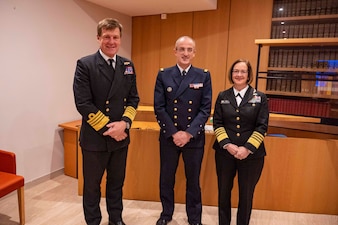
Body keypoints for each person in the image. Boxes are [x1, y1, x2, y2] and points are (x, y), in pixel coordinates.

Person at [73, 18, 139, 225]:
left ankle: (116, 219)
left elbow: (133, 99)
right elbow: (83, 103)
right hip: (95, 138)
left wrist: (125, 124)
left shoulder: (127, 65)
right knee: (92, 186)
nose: (111, 41)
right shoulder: (85, 64)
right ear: (99, 38)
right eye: (107, 37)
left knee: (116, 183)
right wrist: (110, 128)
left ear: (120, 39)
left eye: (115, 37)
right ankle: (93, 221)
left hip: (121, 138)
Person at [153, 36, 212, 225]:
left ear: (194, 53)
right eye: (182, 49)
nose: (185, 53)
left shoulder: (203, 75)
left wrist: (188, 133)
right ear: (175, 51)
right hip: (169, 137)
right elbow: (159, 107)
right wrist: (174, 132)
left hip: (193, 138)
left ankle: (194, 218)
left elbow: (205, 108)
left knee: (193, 180)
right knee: (166, 178)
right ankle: (166, 214)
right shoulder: (164, 74)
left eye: (189, 50)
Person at [212, 59, 269, 225]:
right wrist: (228, 145)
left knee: (246, 193)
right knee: (223, 192)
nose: (239, 74)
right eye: (236, 71)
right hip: (225, 154)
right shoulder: (223, 96)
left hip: (252, 156)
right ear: (231, 74)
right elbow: (217, 123)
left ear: (249, 74)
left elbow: (262, 126)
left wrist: (247, 148)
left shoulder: (260, 97)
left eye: (243, 71)